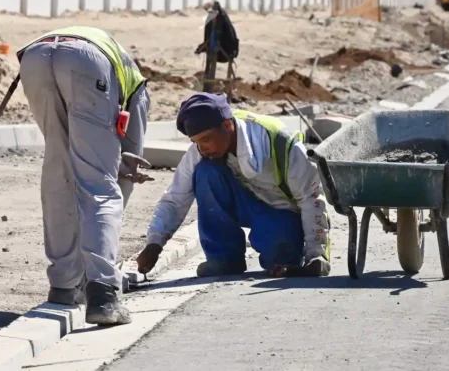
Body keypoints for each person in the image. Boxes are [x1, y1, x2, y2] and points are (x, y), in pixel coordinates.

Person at [16, 26, 152, 326]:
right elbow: (125, 174)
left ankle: (65, 285)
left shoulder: (125, 71)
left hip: (35, 56)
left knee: (59, 174)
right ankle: (103, 292)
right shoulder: (140, 91)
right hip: (87, 61)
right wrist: (118, 168)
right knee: (101, 187)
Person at [136, 93, 331, 279]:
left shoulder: (279, 142)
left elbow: (311, 197)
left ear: (227, 125)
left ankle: (285, 249)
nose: (202, 148)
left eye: (205, 139)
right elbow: (176, 197)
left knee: (279, 259)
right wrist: (155, 244)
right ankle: (225, 258)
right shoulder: (203, 150)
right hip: (245, 202)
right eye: (196, 142)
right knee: (205, 172)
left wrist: (316, 255)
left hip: (280, 212)